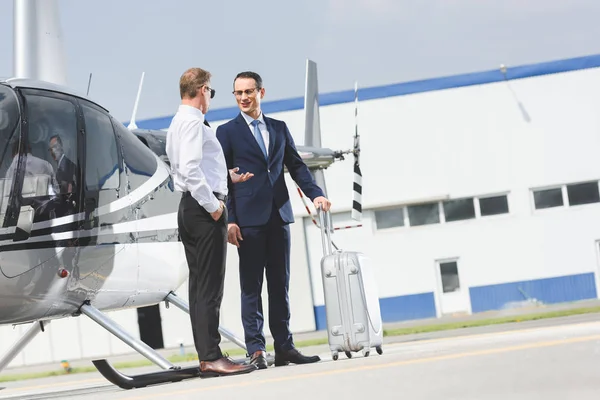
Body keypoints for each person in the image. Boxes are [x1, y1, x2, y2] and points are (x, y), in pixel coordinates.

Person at [216, 71, 331, 370]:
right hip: (248, 222)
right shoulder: (226, 132)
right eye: (238, 93)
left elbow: (296, 166)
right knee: (251, 287)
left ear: (261, 92)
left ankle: (284, 347)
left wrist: (315, 194)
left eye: (248, 92)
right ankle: (256, 349)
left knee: (280, 285)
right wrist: (231, 220)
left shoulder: (279, 129)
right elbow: (222, 181)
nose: (243, 98)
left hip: (279, 217)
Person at [165, 67, 256, 378]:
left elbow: (181, 167)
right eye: (211, 91)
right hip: (203, 211)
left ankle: (208, 354)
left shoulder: (177, 122)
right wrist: (215, 206)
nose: (210, 97)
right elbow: (190, 171)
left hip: (190, 208)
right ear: (202, 90)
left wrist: (224, 179)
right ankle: (212, 356)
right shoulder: (192, 122)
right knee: (210, 288)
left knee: (200, 286)